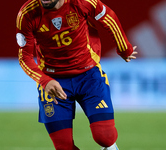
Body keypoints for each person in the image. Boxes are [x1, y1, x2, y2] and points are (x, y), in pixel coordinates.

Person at [16, 0, 137, 150]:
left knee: (105, 137)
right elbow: (24, 57)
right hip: (53, 82)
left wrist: (124, 48)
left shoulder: (81, 2)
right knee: (64, 147)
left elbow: (109, 17)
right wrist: (44, 81)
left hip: (88, 76)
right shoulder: (27, 14)